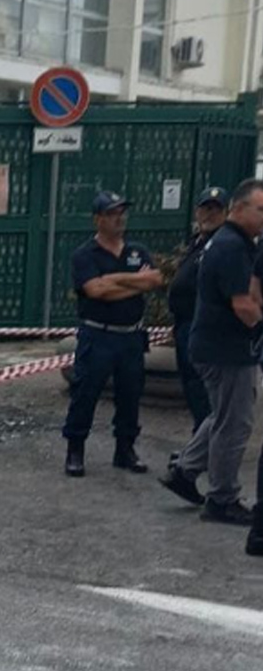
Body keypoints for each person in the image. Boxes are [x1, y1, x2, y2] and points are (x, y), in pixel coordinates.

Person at [159, 178, 263, 525]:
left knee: (221, 416)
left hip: (219, 345)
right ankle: (222, 498)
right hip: (226, 349)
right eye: (260, 209)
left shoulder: (239, 243)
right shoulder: (232, 246)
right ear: (238, 208)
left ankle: (185, 471)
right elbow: (244, 304)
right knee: (235, 423)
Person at [63, 191, 164, 477]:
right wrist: (136, 283)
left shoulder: (137, 251)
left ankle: (125, 449)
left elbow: (155, 279)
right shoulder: (85, 254)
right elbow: (96, 291)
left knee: (130, 394)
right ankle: (75, 449)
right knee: (86, 392)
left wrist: (115, 279)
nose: (119, 218)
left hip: (131, 335)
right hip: (98, 335)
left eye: (122, 212)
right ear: (98, 219)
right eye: (112, 213)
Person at [167, 186, 227, 432]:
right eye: (205, 208)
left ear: (226, 213)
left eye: (215, 209)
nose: (209, 214)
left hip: (206, 329)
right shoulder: (198, 242)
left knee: (205, 392)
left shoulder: (223, 244)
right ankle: (199, 442)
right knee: (192, 387)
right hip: (185, 326)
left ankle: (205, 447)